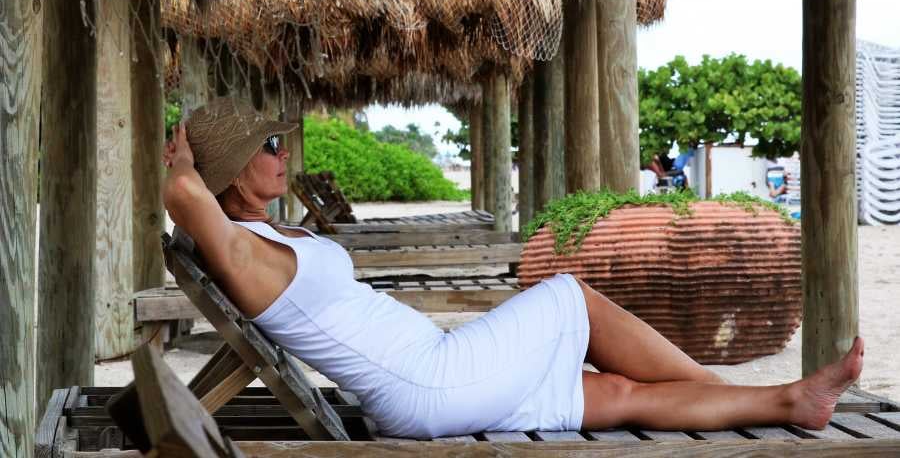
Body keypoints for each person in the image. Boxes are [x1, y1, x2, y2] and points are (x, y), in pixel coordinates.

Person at [163, 98, 864, 439]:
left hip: (433, 378)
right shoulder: (244, 253)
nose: (286, 152)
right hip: (430, 379)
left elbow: (203, 199)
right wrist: (187, 163)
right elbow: (181, 193)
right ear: (227, 173)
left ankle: (784, 404)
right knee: (570, 297)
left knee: (616, 394)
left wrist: (212, 178)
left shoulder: (264, 233)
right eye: (270, 144)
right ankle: (719, 392)